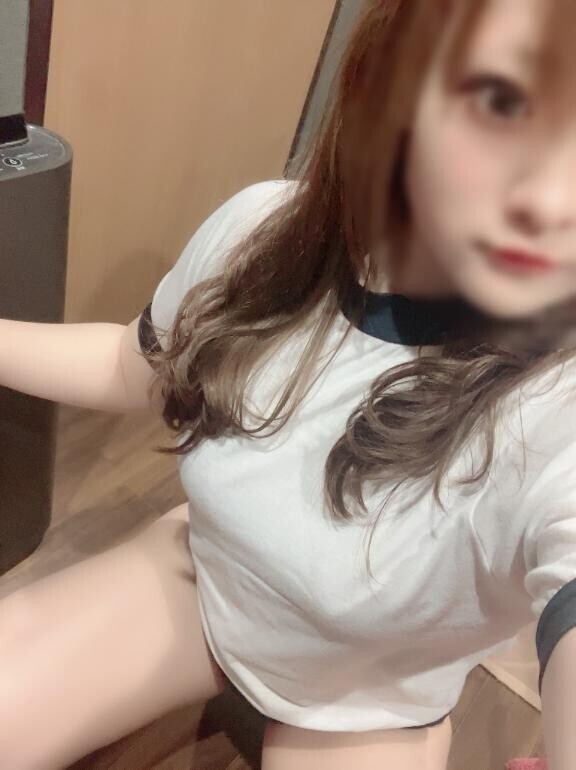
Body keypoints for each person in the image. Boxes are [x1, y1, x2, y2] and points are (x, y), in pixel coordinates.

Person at [1, 0, 575, 767]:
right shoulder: (264, 230)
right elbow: (134, 367)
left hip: (368, 696)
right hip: (211, 575)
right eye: (503, 100)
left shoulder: (556, 402)